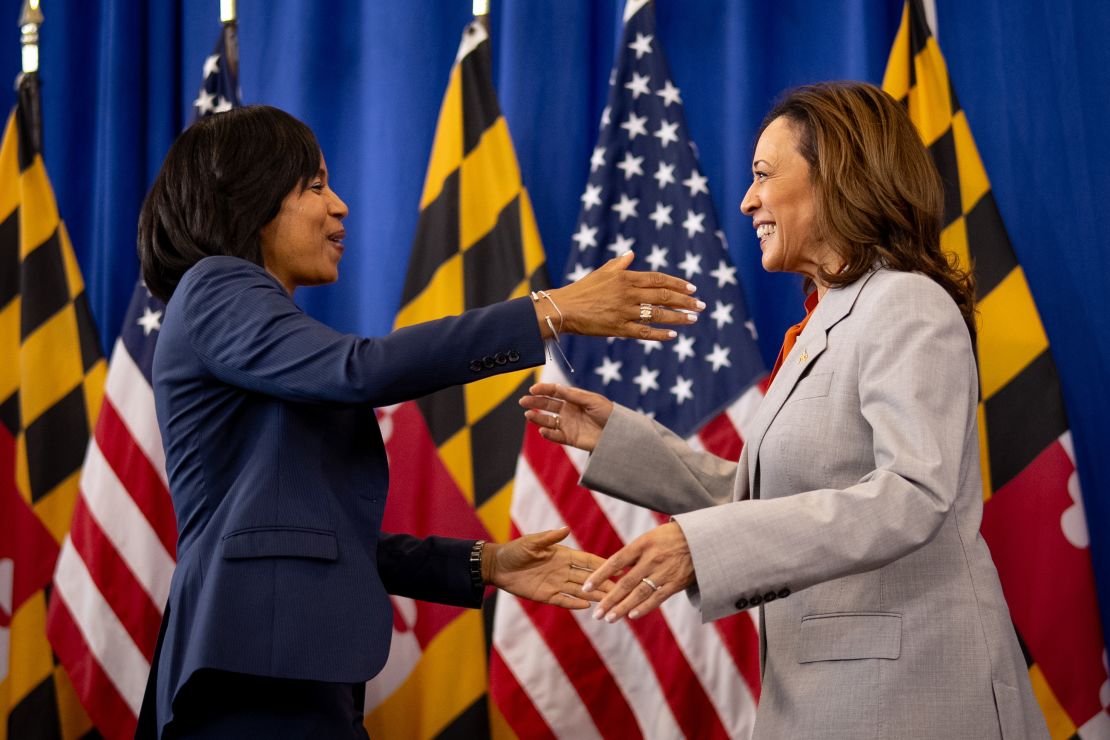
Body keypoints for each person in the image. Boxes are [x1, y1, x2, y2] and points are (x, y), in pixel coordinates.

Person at [134, 104, 704, 739]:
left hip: (284, 663)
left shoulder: (252, 324)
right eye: (316, 185)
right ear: (248, 197)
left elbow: (307, 536)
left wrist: (486, 564)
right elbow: (362, 371)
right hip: (253, 665)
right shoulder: (217, 286)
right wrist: (548, 311)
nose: (340, 206)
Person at [521, 82, 1049, 739]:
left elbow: (912, 493)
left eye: (764, 175)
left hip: (911, 696)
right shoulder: (825, 322)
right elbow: (767, 496)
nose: (746, 201)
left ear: (838, 177)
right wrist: (620, 443)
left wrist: (702, 547)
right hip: (829, 698)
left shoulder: (907, 304)